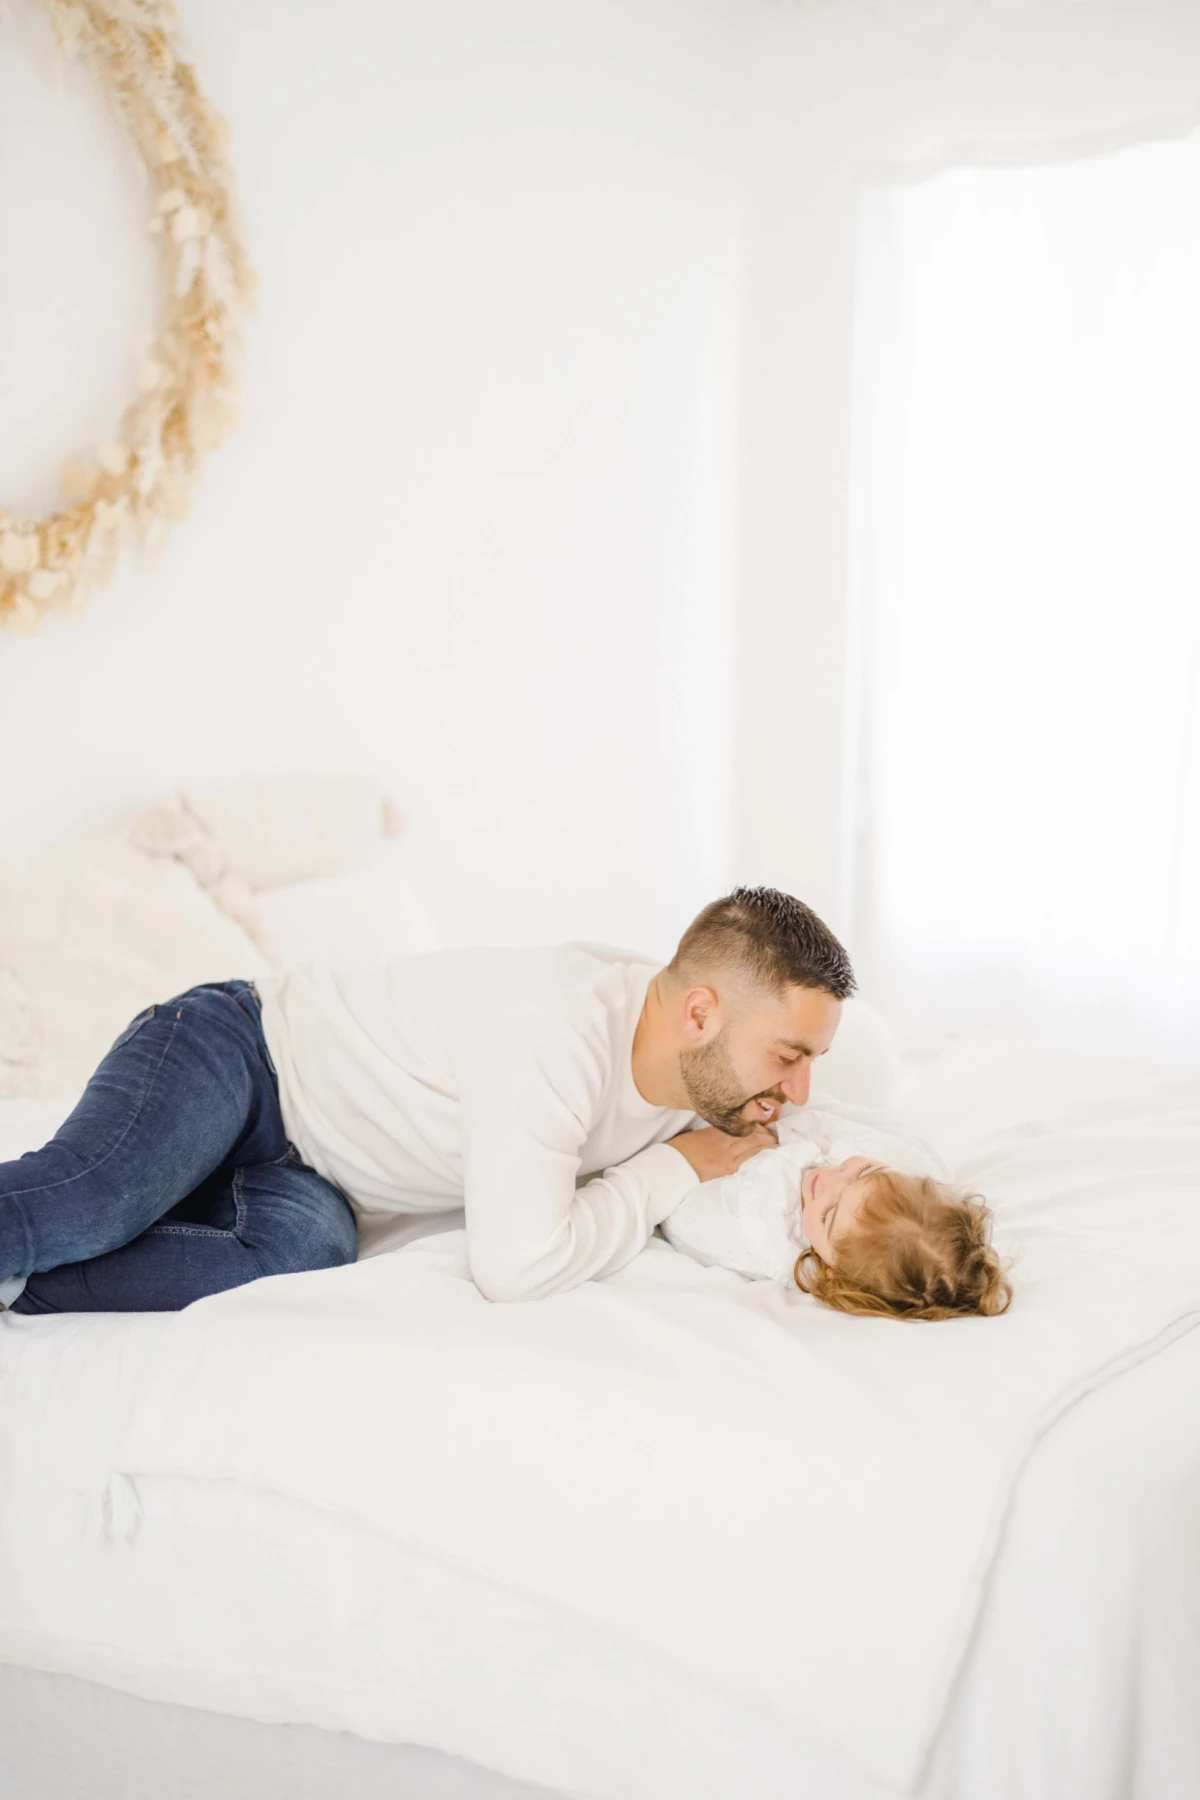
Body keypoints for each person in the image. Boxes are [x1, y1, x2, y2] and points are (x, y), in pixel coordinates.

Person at [0, 886, 853, 1313]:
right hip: (245, 1053)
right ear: (700, 1014)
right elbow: (514, 1268)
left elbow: (854, 1118)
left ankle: (15, 1289)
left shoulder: (708, 1060)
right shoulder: (553, 1034)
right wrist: (668, 1171)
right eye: (790, 1056)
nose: (800, 1090)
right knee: (88, 1202)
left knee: (299, 1257)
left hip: (313, 1176)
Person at [659, 1103, 1012, 1319]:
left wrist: (722, 1159)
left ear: (832, 1273)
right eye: (861, 1172)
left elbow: (682, 1218)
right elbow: (828, 1116)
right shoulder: (900, 1166)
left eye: (828, 1215)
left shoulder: (766, 1234)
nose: (826, 1179)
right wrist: (782, 1128)